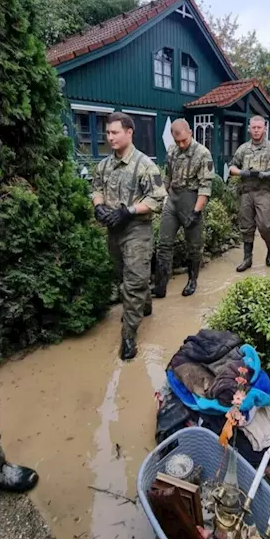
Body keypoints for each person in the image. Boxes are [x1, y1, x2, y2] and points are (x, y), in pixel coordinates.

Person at [91, 112, 167, 360]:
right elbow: (96, 188)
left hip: (136, 230)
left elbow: (157, 198)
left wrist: (129, 211)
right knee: (123, 275)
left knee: (133, 282)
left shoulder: (145, 165)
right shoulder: (104, 165)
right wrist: (99, 206)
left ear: (129, 132)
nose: (109, 137)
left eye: (114, 132)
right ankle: (144, 305)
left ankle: (128, 336)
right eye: (108, 133)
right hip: (113, 231)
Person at [153, 119, 213, 298]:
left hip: (191, 199)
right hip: (172, 199)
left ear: (190, 133)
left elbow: (205, 186)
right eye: (177, 141)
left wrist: (196, 211)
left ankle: (192, 280)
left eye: (184, 141)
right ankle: (160, 286)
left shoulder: (203, 153)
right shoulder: (172, 150)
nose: (181, 144)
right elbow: (168, 176)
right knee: (163, 243)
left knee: (194, 246)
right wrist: (162, 197)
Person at [228, 115, 270, 271]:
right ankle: (247, 259)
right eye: (253, 128)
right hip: (246, 192)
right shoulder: (243, 148)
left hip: (264, 192)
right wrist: (242, 172)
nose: (256, 131)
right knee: (246, 226)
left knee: (265, 226)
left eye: (259, 127)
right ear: (249, 129)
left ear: (264, 128)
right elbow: (231, 167)